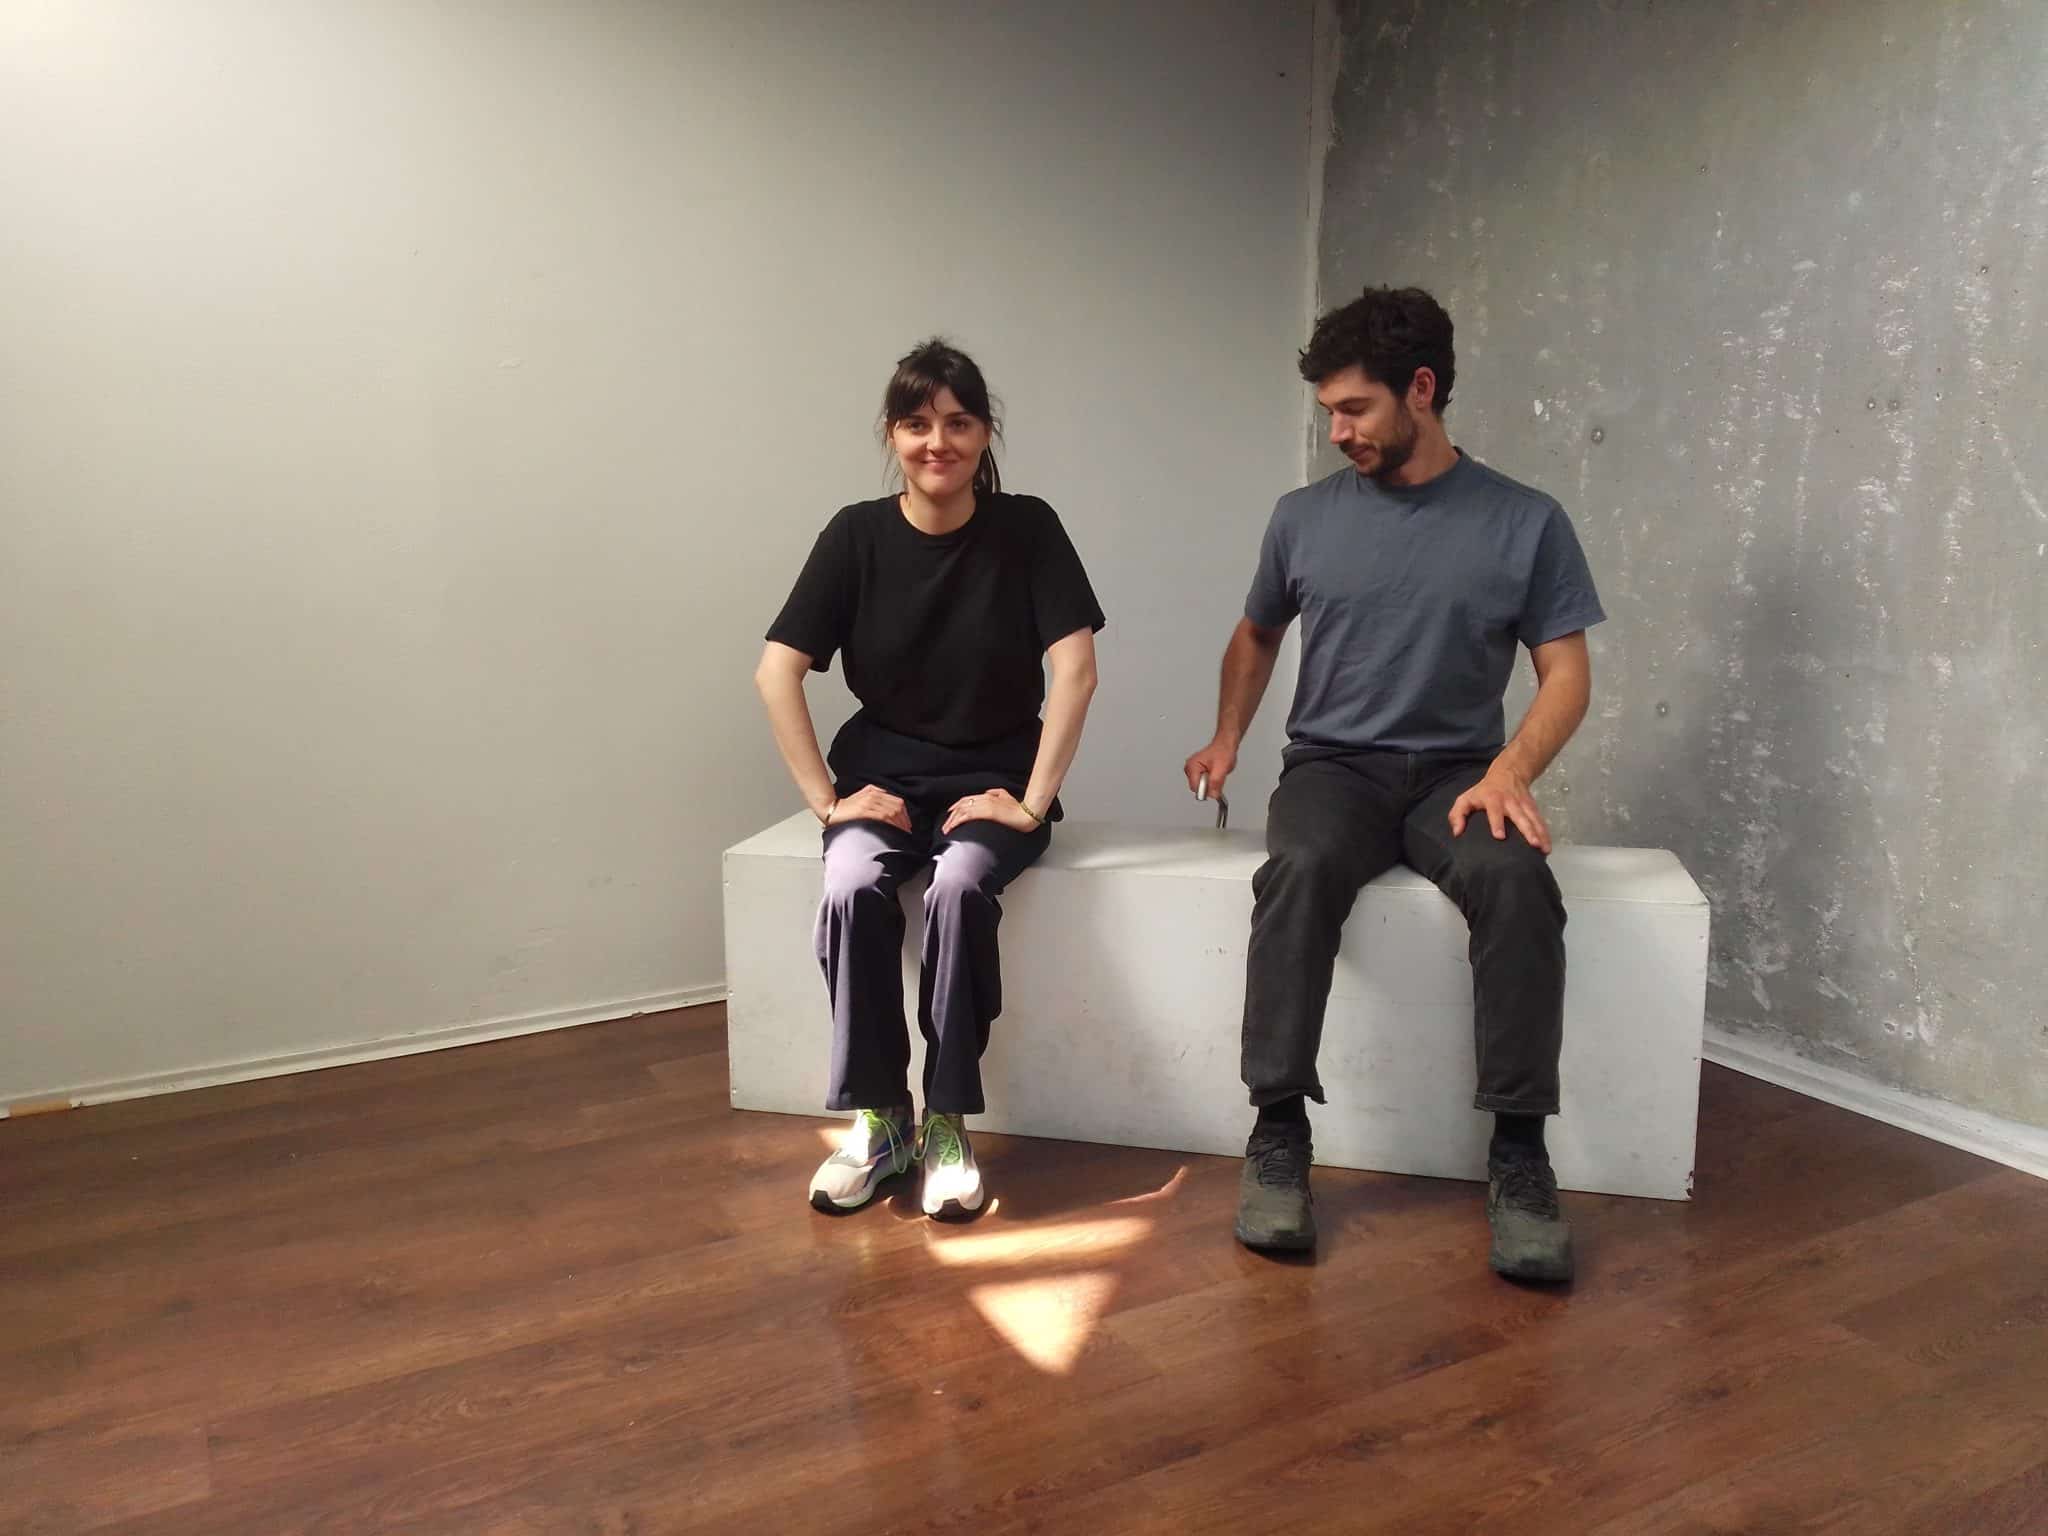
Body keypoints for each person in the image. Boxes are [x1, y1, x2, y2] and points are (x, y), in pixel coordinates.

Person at [1184, 287, 1605, 1281]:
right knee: (1297, 868)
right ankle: (1278, 1133)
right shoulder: (1302, 518)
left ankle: (1519, 1153)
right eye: (1328, 411)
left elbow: (1566, 672)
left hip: (1460, 776)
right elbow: (1256, 632)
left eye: (1353, 408)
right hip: (1333, 766)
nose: (1336, 432)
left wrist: (1510, 771)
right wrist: (1227, 735)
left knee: (1516, 881)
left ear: (1420, 389)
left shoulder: (1525, 521)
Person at [755, 339, 1103, 1220]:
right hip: (881, 777)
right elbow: (775, 670)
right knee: (849, 885)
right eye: (916, 424)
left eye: (957, 422)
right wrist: (828, 801)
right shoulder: (855, 535)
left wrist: (1031, 802)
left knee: (957, 887)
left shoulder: (1027, 529)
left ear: (985, 434)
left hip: (993, 777)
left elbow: (1075, 669)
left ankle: (947, 1120)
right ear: (893, 435)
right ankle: (882, 1122)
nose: (936, 442)